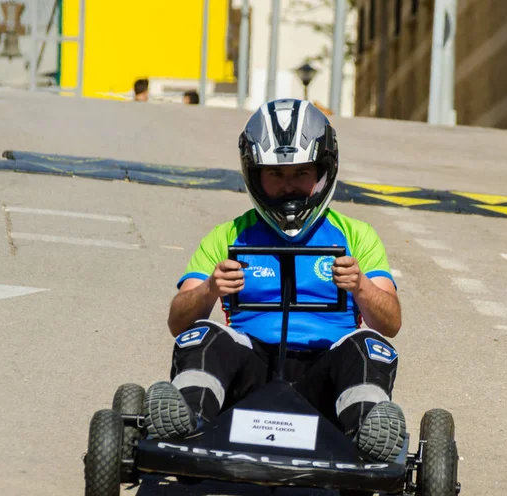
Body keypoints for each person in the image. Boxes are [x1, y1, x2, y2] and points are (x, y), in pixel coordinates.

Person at [144, 98, 405, 463]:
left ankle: (367, 434)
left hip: (327, 376)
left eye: (300, 173)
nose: (289, 186)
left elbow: (390, 322)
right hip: (248, 370)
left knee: (368, 345)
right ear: (255, 175)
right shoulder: (229, 235)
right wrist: (209, 289)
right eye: (276, 175)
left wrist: (361, 287)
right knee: (203, 336)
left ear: (322, 170)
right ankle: (186, 418)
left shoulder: (356, 235)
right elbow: (177, 323)